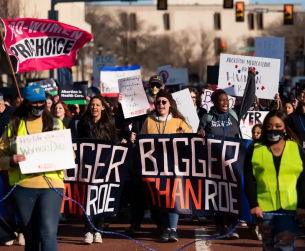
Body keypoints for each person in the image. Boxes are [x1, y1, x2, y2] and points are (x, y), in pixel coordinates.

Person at [0, 85, 65, 251]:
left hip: (52, 186)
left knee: (48, 233)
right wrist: (11, 160)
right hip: (23, 187)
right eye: (34, 103)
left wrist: (62, 156)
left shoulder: (57, 124)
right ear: (26, 103)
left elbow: (70, 154)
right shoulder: (13, 126)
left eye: (41, 102)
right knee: (31, 236)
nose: (38, 106)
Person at [244, 110, 305, 251]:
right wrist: (253, 204)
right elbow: (248, 179)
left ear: (285, 128)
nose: (273, 129)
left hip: (290, 209)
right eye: (269, 126)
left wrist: (302, 205)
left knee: (285, 246)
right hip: (264, 209)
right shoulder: (255, 149)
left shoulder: (296, 148)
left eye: (278, 126)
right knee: (268, 246)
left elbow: (303, 179)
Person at [139, 90, 191, 242]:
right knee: (160, 198)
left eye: (164, 102)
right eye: (158, 102)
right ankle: (164, 228)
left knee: (173, 197)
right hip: (155, 168)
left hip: (174, 168)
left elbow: (190, 140)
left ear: (170, 104)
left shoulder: (179, 121)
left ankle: (172, 229)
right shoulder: (149, 121)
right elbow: (142, 141)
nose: (161, 105)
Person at [197, 89, 240, 238]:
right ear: (214, 102)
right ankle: (219, 226)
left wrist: (251, 78)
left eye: (226, 99)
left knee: (233, 193)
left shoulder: (234, 114)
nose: (225, 102)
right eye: (221, 100)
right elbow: (199, 134)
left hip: (233, 162)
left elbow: (247, 101)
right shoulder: (207, 117)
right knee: (218, 194)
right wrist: (201, 133)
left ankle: (232, 226)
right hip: (214, 163)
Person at [77, 95, 117, 244]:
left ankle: (98, 230)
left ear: (102, 107)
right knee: (87, 198)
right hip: (87, 166)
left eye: (97, 105)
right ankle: (88, 230)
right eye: (92, 105)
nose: (94, 107)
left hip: (103, 167)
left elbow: (114, 142)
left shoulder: (109, 123)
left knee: (100, 198)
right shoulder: (83, 123)